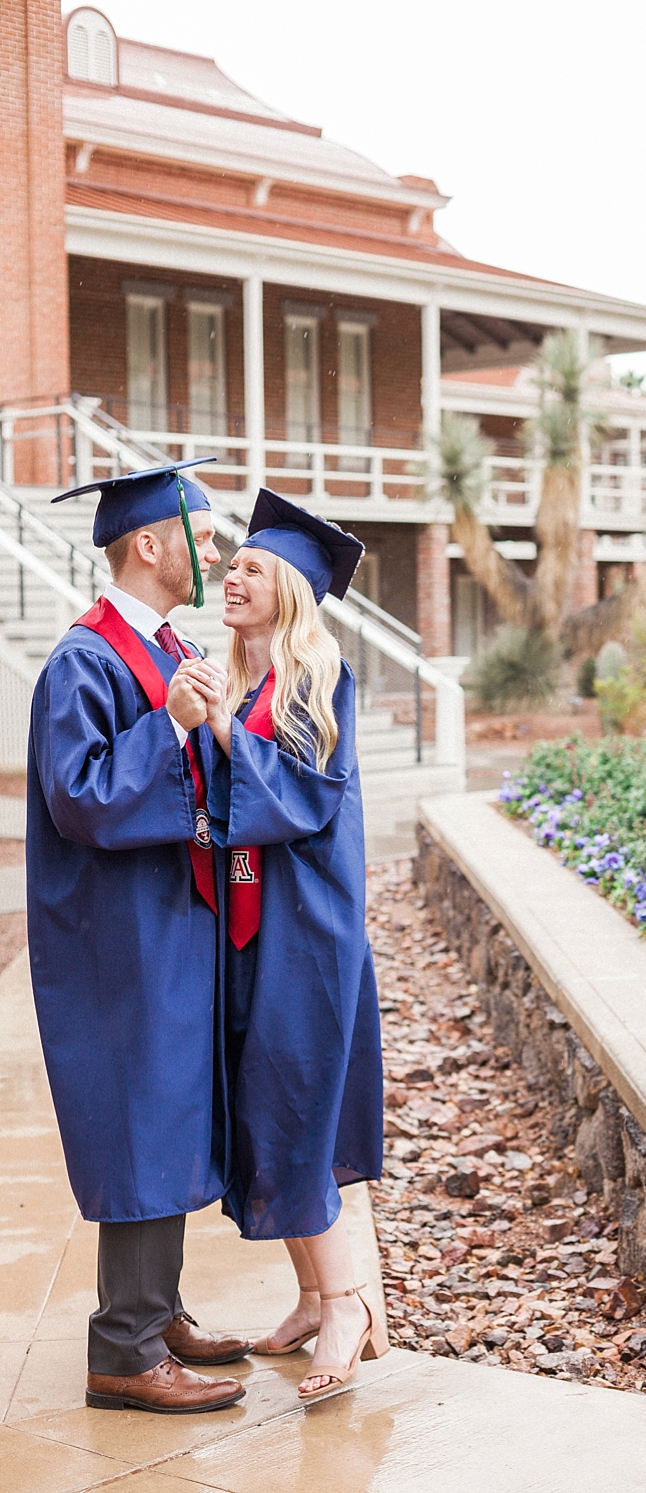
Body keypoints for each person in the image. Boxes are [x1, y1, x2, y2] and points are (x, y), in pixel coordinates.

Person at [26, 462, 251, 1414]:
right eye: (201, 537)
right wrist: (172, 726)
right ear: (147, 544)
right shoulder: (86, 660)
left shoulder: (166, 645)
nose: (216, 553)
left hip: (169, 915)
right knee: (137, 1118)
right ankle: (121, 1349)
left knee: (169, 1109)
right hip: (116, 934)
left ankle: (154, 1312)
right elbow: (80, 797)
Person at [177, 488, 386, 1405]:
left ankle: (347, 1307)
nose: (229, 572)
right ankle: (310, 1295)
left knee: (297, 1110)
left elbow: (299, 804)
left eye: (251, 567)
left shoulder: (314, 678)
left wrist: (220, 728)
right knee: (270, 1106)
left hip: (306, 932)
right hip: (251, 929)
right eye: (232, 563)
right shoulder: (249, 680)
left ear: (292, 590)